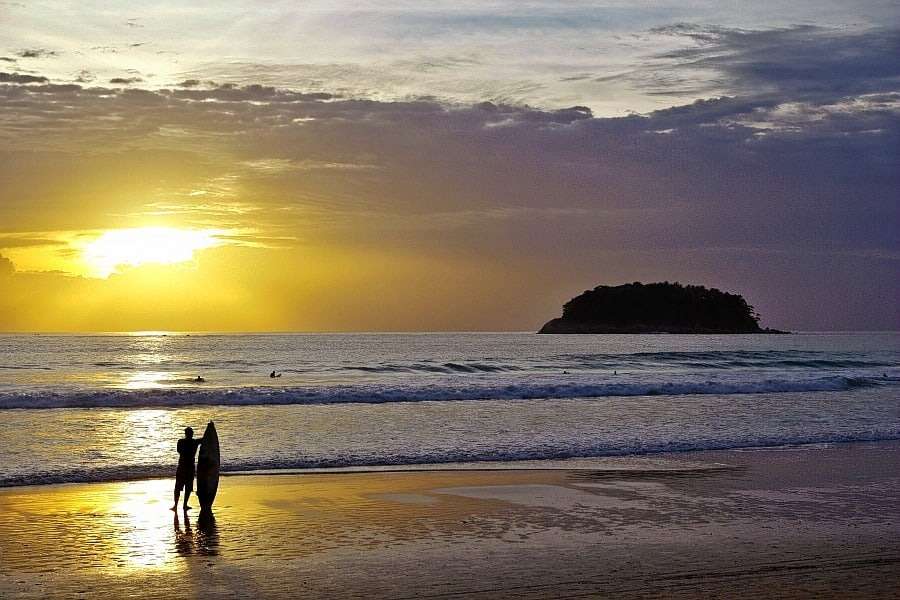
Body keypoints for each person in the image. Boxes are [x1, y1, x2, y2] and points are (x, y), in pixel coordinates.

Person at [172, 427, 203, 511]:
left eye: (191, 433)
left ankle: (183, 505)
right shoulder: (183, 442)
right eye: (189, 433)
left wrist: (210, 428)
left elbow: (205, 439)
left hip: (187, 467)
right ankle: (176, 505)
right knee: (178, 487)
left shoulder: (193, 442)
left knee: (187, 488)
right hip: (184, 467)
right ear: (187, 434)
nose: (190, 434)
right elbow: (179, 451)